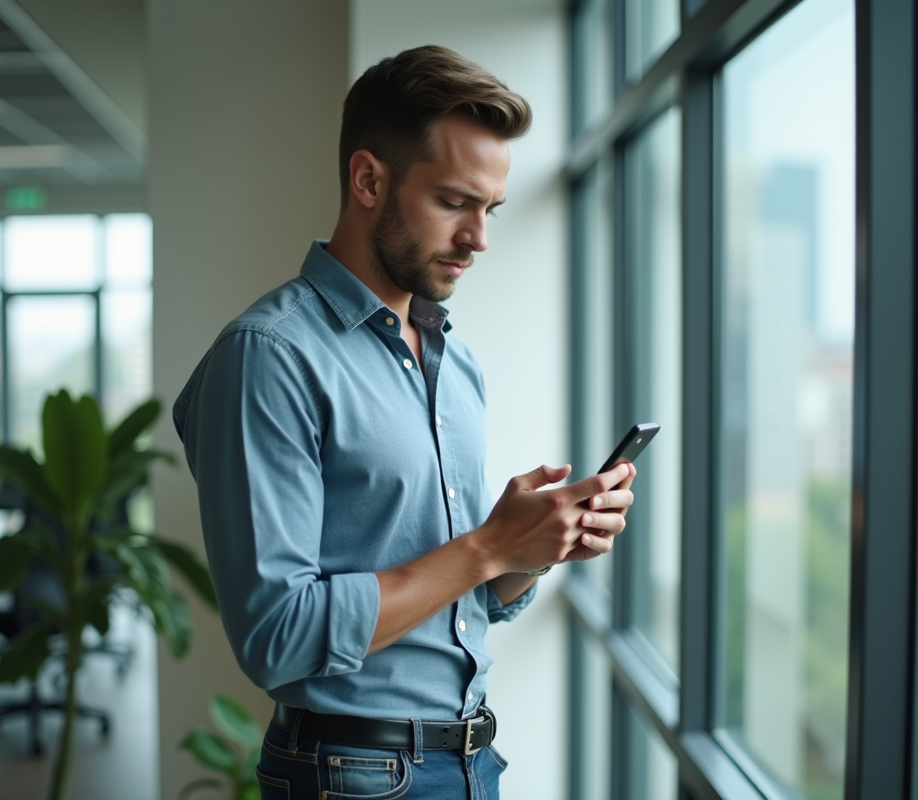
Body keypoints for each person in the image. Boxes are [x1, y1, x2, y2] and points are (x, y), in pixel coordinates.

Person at [173, 45, 636, 799]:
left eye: (490, 210)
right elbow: (276, 638)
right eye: (455, 202)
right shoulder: (269, 356)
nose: (479, 238)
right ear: (368, 180)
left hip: (470, 761)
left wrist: (534, 545)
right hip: (348, 777)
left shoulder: (453, 359)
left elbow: (458, 600)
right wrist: (487, 546)